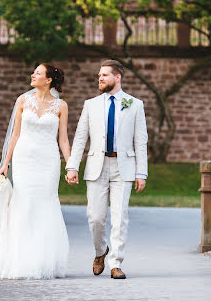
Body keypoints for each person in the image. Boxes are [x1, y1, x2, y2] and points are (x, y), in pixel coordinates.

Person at [0, 63, 70, 279]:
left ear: (48, 80)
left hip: (48, 161)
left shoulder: (60, 106)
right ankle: (20, 260)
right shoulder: (22, 100)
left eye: (38, 73)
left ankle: (44, 260)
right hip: (24, 160)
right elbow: (15, 135)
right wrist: (5, 163)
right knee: (24, 204)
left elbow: (63, 139)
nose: (33, 75)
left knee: (46, 204)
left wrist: (70, 164)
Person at [65, 59, 148, 279]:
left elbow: (140, 141)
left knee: (120, 217)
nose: (99, 78)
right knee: (95, 217)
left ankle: (116, 263)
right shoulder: (90, 104)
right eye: (99, 75)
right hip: (96, 166)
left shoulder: (135, 104)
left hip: (124, 167)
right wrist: (72, 166)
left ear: (117, 77)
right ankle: (100, 251)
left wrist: (142, 172)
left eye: (104, 75)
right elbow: (81, 137)